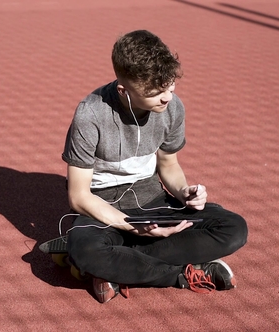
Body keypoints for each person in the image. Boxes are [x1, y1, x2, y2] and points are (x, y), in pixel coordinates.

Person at [61, 30, 248, 303]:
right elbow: (79, 197)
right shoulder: (90, 114)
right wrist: (130, 226)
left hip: (153, 202)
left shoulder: (172, 108)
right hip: (103, 209)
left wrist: (184, 191)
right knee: (87, 251)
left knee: (233, 228)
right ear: (124, 91)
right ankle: (181, 275)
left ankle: (118, 267)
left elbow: (169, 165)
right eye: (157, 93)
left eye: (170, 88)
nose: (167, 98)